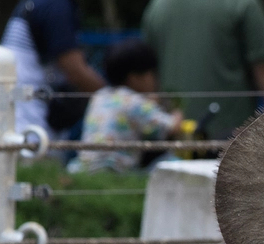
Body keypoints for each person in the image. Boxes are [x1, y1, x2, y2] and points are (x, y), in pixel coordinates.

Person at [141, 0, 264, 141]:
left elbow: (145, 77)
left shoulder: (158, 3)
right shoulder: (240, 0)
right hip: (232, 138)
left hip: (173, 136)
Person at [0, 0, 106, 137]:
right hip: (30, 114)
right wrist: (114, 97)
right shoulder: (55, 3)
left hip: (22, 106)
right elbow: (75, 70)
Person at [73, 39, 183, 173]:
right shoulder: (135, 101)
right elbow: (172, 127)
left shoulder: (100, 96)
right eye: (152, 74)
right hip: (116, 170)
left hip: (85, 167)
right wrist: (177, 112)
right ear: (135, 78)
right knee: (173, 161)